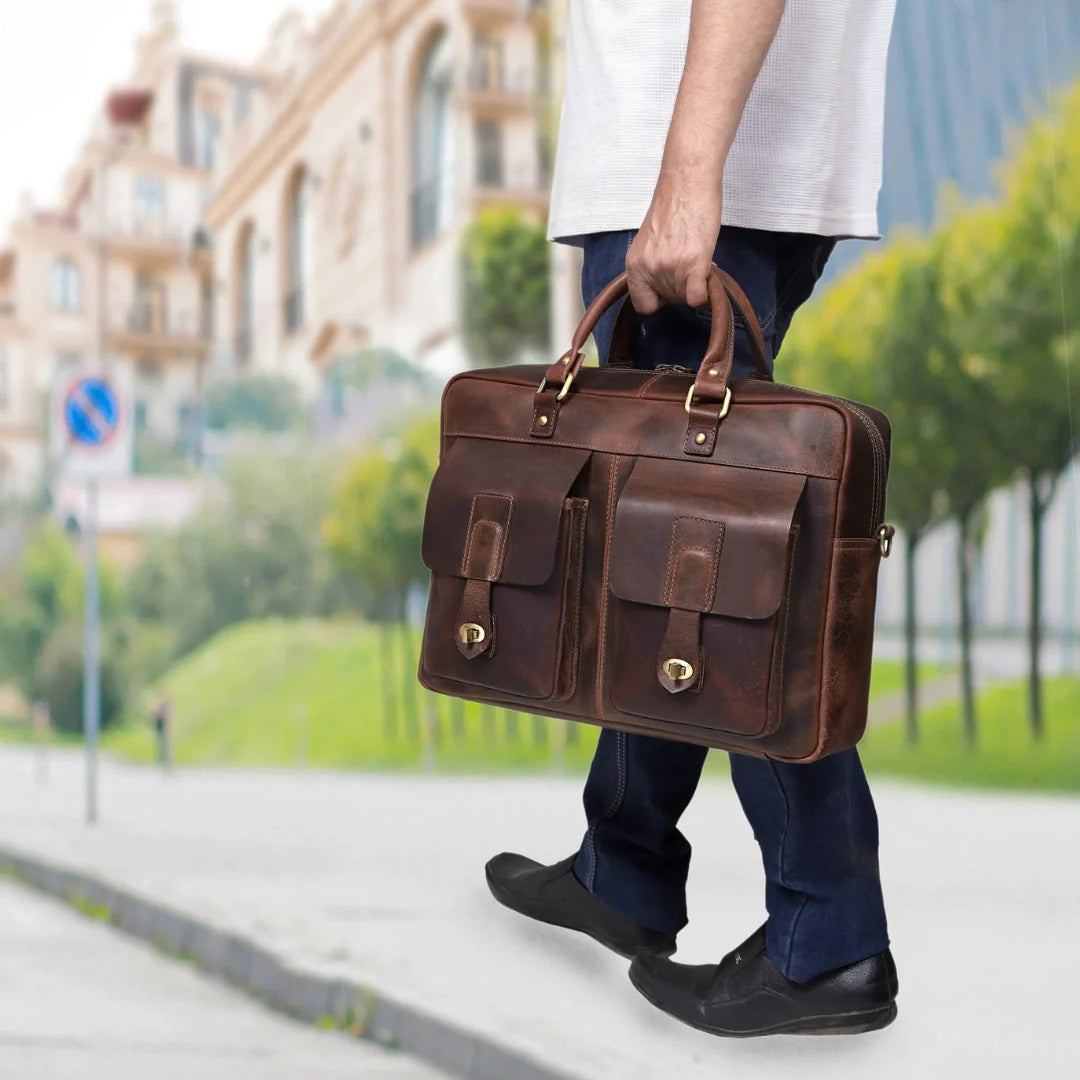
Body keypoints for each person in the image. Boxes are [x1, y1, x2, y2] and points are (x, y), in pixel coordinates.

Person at [485, 0, 899, 1038]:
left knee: (707, 556)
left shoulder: (688, 172)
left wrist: (689, 170)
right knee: (665, 535)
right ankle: (623, 863)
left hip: (690, 154)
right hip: (735, 151)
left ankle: (827, 937)